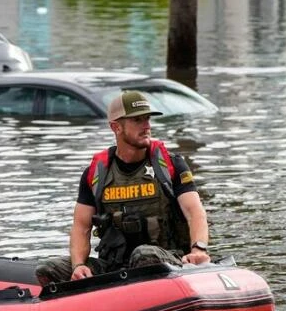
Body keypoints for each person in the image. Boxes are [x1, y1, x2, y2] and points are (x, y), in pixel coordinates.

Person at [35, 90, 211, 285]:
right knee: (48, 269)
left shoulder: (171, 165)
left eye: (147, 119)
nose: (147, 126)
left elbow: (195, 212)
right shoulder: (95, 173)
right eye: (137, 120)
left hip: (166, 260)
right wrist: (78, 266)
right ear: (116, 127)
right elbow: (81, 227)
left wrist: (199, 250)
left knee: (143, 255)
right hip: (114, 266)